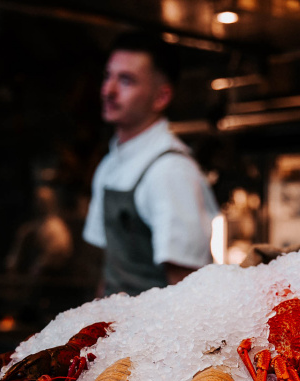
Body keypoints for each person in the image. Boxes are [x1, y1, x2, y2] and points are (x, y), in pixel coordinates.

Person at [83, 31, 219, 297]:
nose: (108, 90)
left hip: (154, 325)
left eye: (126, 80)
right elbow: (109, 273)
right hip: (115, 322)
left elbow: (187, 291)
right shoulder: (110, 165)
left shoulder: (170, 170)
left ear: (161, 97)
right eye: (108, 76)